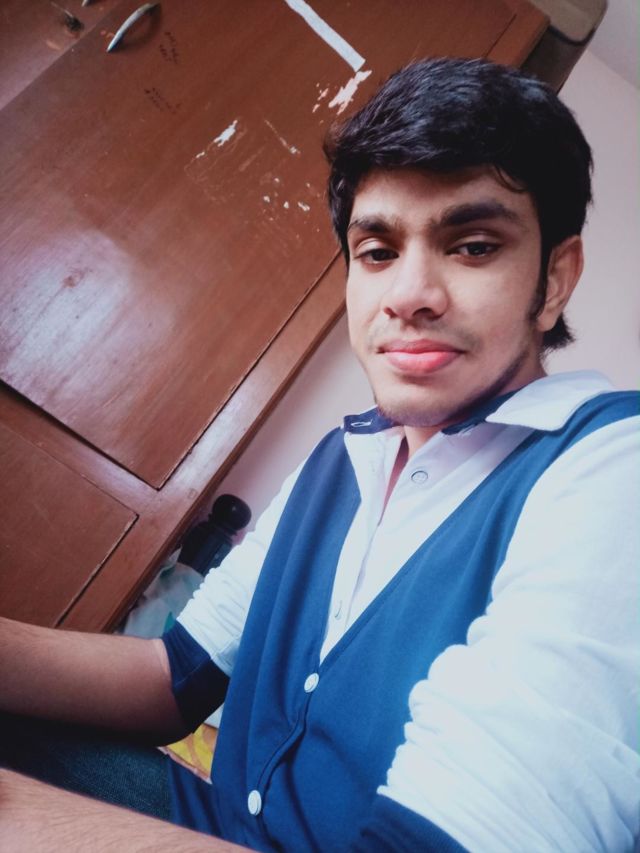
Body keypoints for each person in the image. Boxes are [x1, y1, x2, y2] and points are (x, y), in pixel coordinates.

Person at [1, 57, 638, 853]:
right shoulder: (343, 456)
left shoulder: (610, 468)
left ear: (555, 280)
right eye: (377, 251)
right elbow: (175, 676)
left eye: (473, 246)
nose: (408, 294)